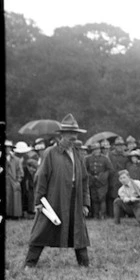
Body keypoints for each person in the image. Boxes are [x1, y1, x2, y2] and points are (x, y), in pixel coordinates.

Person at [24, 114, 91, 268]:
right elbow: (41, 177)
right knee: (42, 230)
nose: (73, 137)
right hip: (54, 197)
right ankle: (30, 264)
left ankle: (84, 264)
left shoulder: (78, 154)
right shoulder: (50, 153)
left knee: (78, 230)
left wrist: (85, 203)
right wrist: (39, 201)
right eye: (69, 133)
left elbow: (84, 180)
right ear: (61, 135)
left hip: (75, 198)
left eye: (75, 134)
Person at [85, 142, 113, 220]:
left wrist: (103, 176)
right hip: (92, 181)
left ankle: (103, 215)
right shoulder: (88, 158)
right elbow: (85, 169)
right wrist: (90, 176)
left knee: (102, 198)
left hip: (102, 182)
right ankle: (95, 214)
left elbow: (110, 169)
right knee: (94, 198)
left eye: (98, 149)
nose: (96, 151)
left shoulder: (105, 159)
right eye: (94, 150)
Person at [5, 140, 24, 219]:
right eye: (5, 147)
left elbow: (20, 171)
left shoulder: (16, 159)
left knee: (14, 199)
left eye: (9, 147)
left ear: (11, 149)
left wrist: (18, 181)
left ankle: (14, 216)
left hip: (13, 181)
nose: (7, 149)